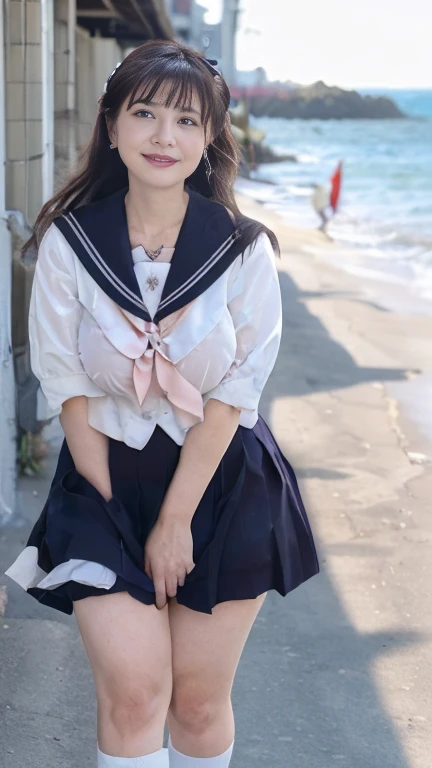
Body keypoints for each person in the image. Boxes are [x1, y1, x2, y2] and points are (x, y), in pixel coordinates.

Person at [5, 40, 319, 768]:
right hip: (104, 476)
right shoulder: (69, 245)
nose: (162, 136)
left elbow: (236, 394)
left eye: (185, 121)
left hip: (221, 481)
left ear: (209, 137)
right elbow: (66, 387)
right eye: (143, 114)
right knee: (134, 694)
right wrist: (116, 510)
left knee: (199, 703)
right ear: (111, 126)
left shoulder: (242, 250)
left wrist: (174, 521)